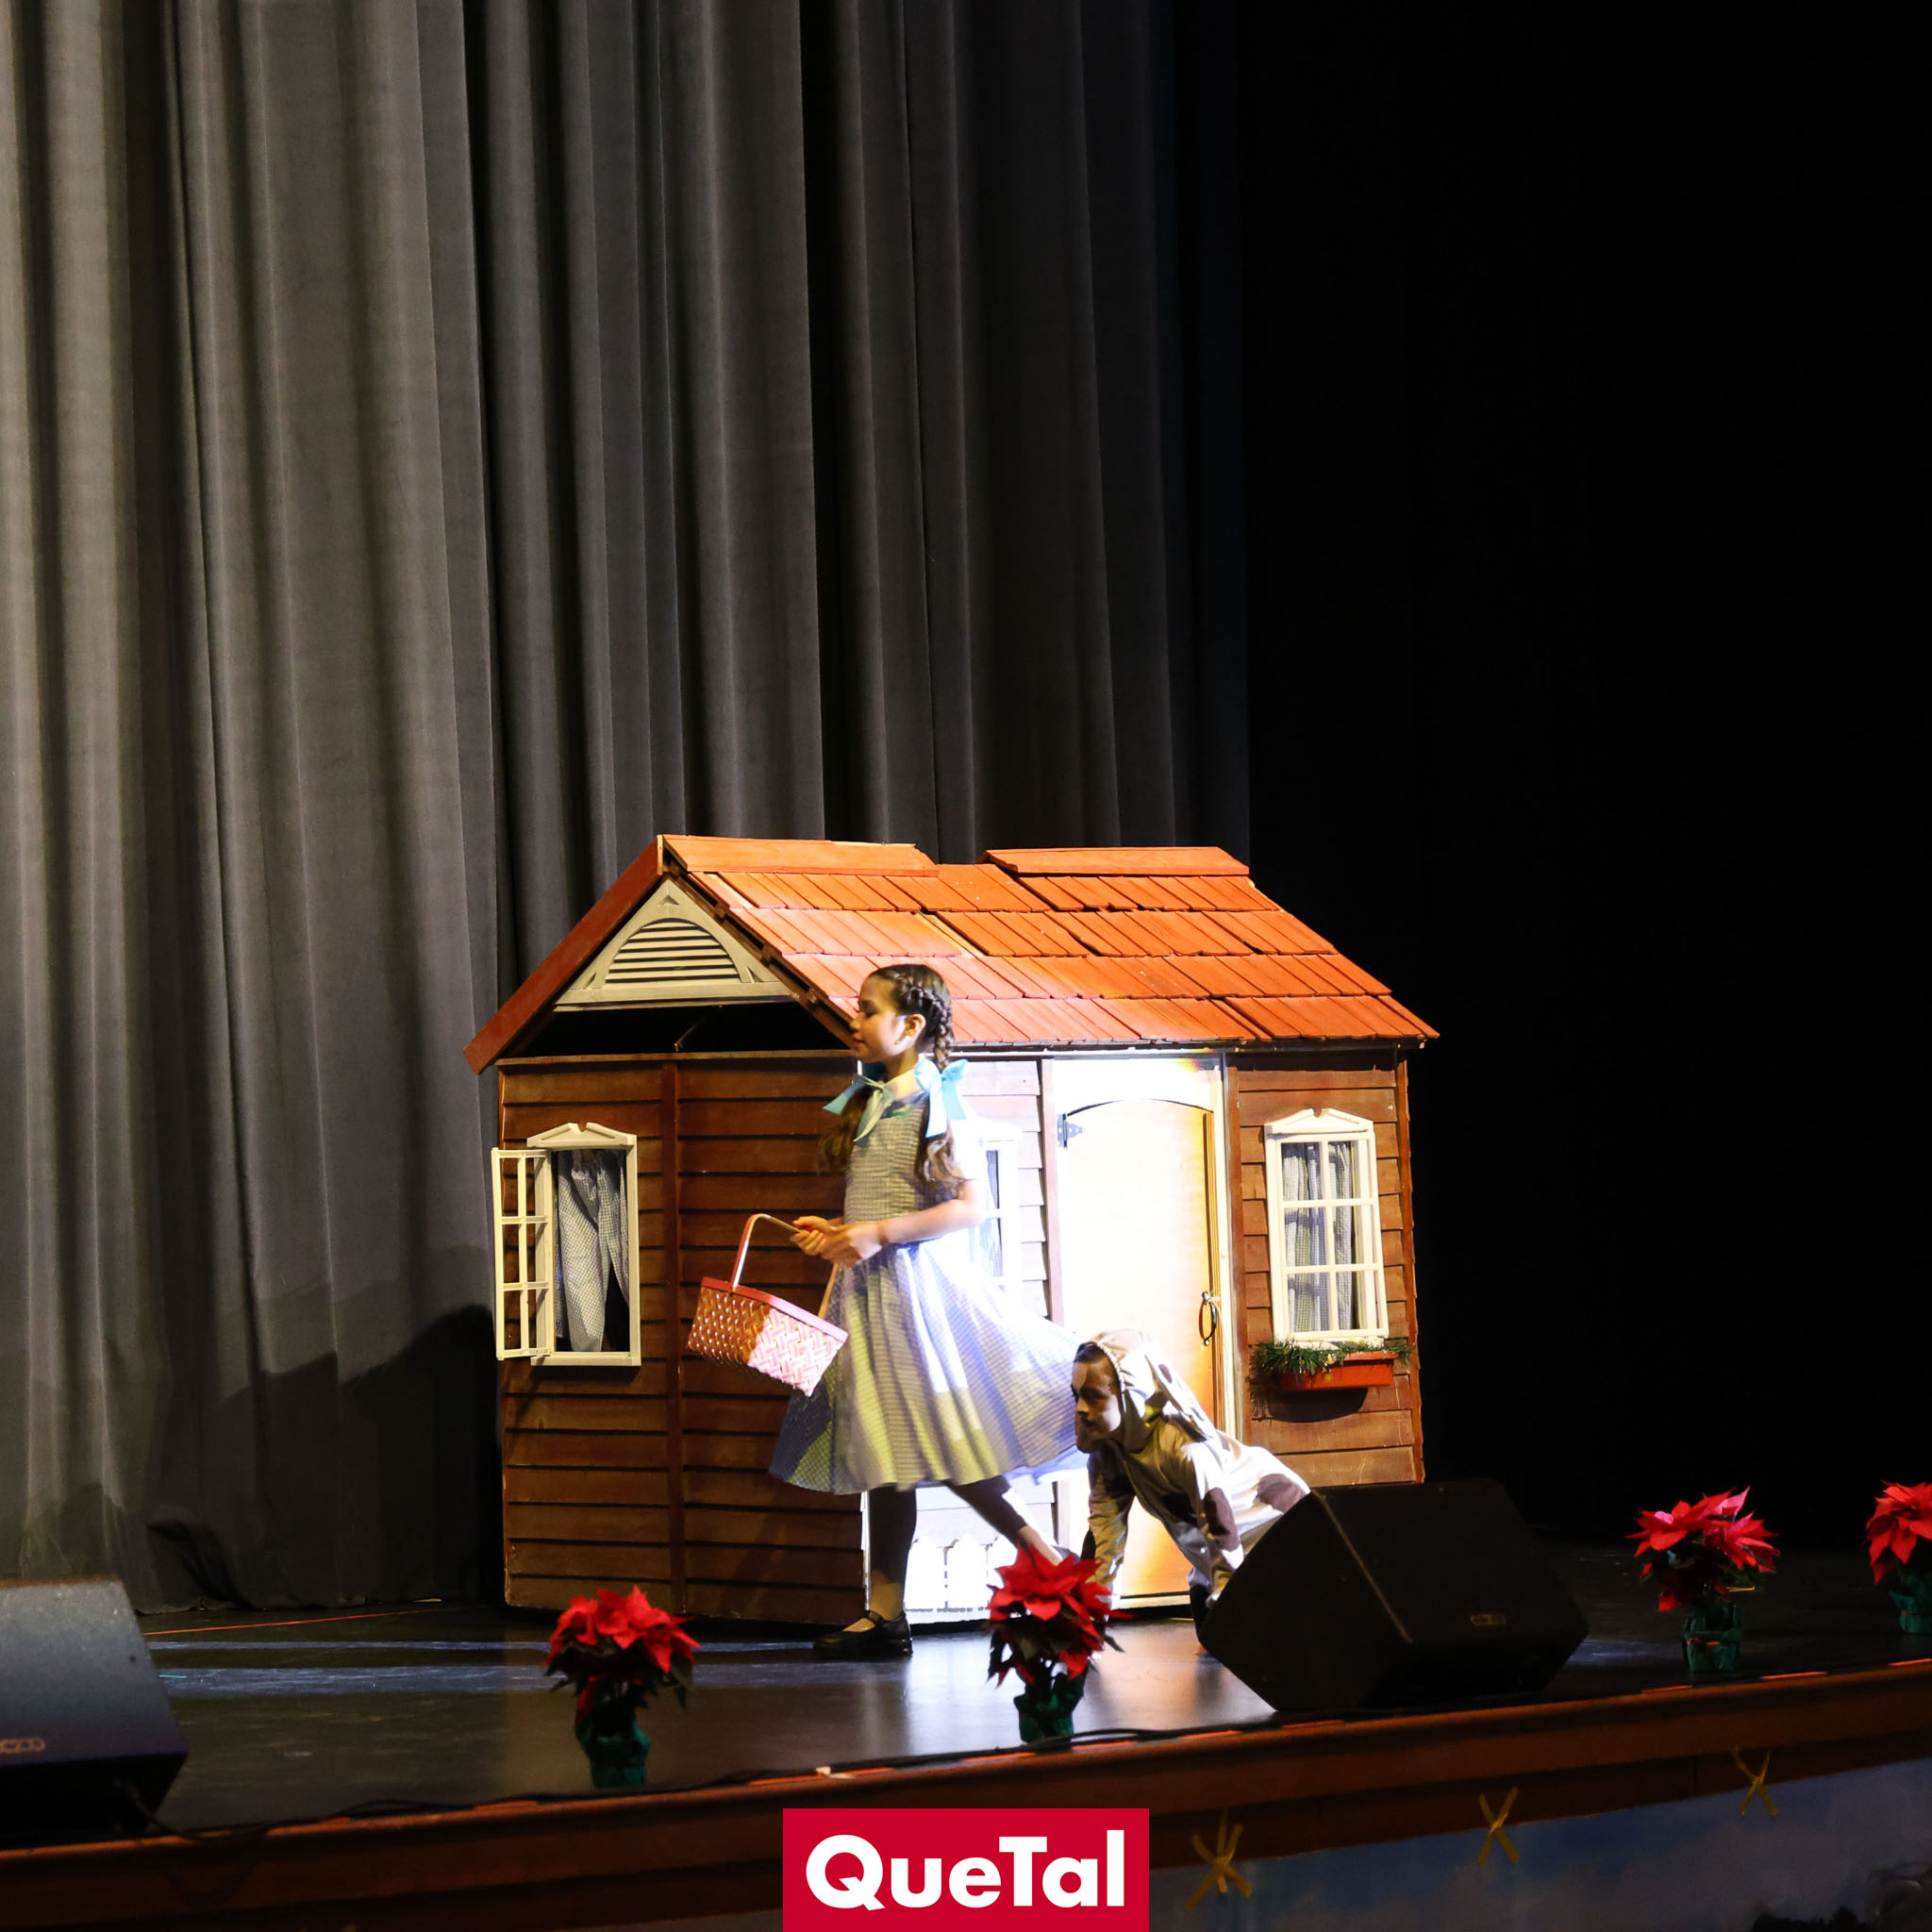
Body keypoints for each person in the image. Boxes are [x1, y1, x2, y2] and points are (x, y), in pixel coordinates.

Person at [770, 963, 1079, 1660]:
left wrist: (877, 1233)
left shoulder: (938, 1102)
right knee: (885, 1456)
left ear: (911, 1026)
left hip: (916, 1297)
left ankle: (1049, 1559)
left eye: (866, 1009)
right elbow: (881, 1203)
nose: (853, 1020)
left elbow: (970, 1206)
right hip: (869, 1298)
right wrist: (839, 1232)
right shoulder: (874, 1100)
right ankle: (885, 1614)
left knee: (939, 1441)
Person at [1073, 1329, 1309, 1636]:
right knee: (1212, 1631)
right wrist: (1088, 1616)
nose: (1081, 1408)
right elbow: (1104, 1536)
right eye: (1077, 1396)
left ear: (1131, 1391)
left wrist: (1227, 1595)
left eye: (1093, 1396)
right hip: (1216, 1553)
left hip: (1276, 1525)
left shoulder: (1183, 1447)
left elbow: (1218, 1518)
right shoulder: (1110, 1455)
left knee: (1266, 1637)